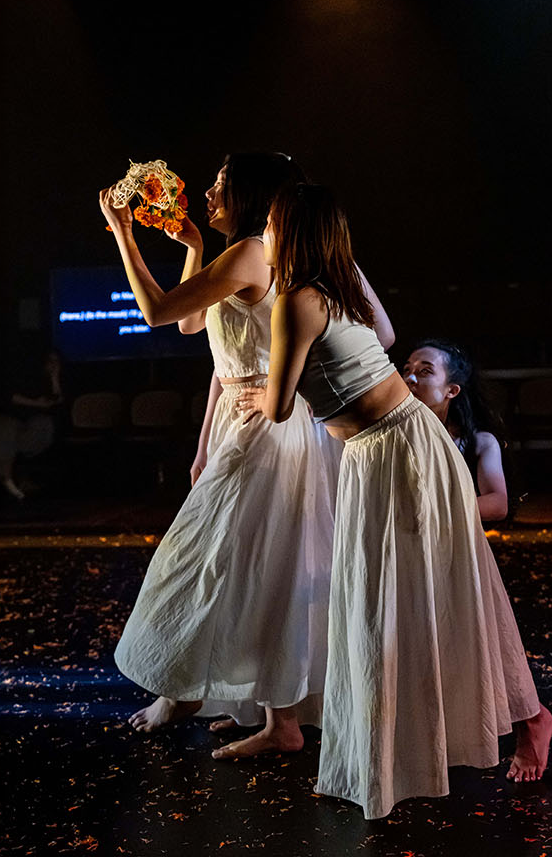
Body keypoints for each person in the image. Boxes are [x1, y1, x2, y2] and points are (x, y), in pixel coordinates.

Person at [236, 184, 552, 820]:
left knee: (437, 587)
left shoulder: (299, 299)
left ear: (292, 234)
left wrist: (252, 386)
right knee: (380, 600)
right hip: (376, 456)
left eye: (272, 224)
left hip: (398, 449)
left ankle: (533, 717)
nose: (262, 235)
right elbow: (382, 333)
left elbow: (275, 405)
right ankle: (375, 755)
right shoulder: (332, 288)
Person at [101, 153, 371, 761]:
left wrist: (122, 233)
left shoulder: (253, 250)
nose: (207, 190)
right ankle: (234, 700)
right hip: (237, 421)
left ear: (247, 195)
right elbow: (194, 325)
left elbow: (157, 311)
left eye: (219, 184)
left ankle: (250, 711)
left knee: (239, 560)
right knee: (239, 557)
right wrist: (193, 246)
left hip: (264, 427)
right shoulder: (242, 254)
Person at [401, 339, 509, 522]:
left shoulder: (479, 442)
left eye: (424, 371)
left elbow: (497, 504)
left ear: (451, 390)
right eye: (407, 370)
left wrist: (432, 510)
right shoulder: (395, 435)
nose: (410, 379)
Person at [0, 349, 63, 500]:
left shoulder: (49, 379)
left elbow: (56, 400)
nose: (53, 364)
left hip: (35, 425)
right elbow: (10, 397)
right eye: (51, 361)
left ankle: (21, 481)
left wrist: (55, 377)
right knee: (5, 435)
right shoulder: (24, 376)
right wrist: (36, 404)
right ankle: (8, 482)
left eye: (56, 361)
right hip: (11, 418)